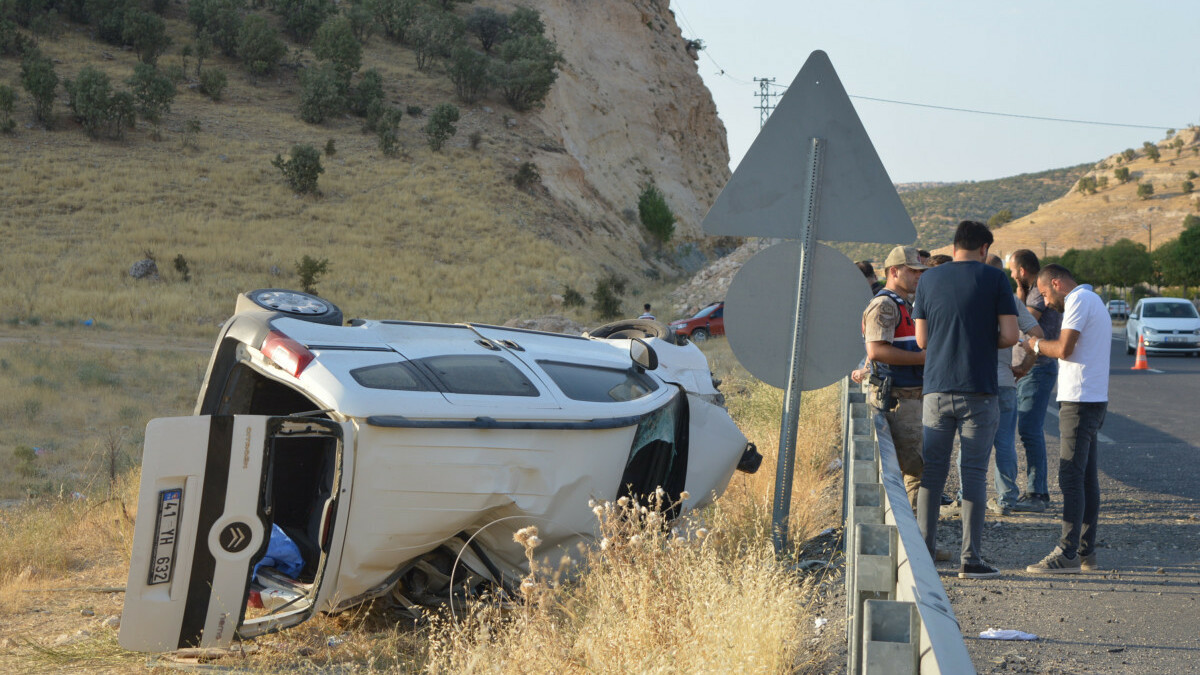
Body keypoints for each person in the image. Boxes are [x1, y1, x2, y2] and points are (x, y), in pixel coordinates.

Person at [912, 220, 1018, 579]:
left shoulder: (927, 279)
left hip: (937, 388)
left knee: (933, 473)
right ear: (984, 249)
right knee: (973, 474)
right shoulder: (994, 279)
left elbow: (923, 341)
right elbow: (1010, 335)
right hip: (980, 390)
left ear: (955, 245)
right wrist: (984, 339)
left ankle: (924, 553)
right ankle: (970, 559)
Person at [1025, 265, 1110, 574]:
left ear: (1057, 284)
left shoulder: (1077, 301)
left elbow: (1063, 349)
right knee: (1085, 478)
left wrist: (1033, 345)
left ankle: (1067, 552)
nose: (1046, 302)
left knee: (1071, 477)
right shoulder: (1094, 299)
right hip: (1092, 398)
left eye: (1046, 294)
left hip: (1080, 400)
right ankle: (1086, 552)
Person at [862, 246, 928, 507]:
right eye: (912, 271)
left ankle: (920, 541)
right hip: (900, 399)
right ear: (894, 271)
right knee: (917, 469)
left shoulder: (905, 304)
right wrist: (924, 359)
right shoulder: (885, 305)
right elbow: (876, 350)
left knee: (917, 472)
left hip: (912, 397)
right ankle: (917, 542)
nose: (918, 276)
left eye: (919, 271)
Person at [985, 254, 1043, 515]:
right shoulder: (1008, 300)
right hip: (1005, 381)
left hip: (974, 383)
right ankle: (1007, 498)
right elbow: (1037, 335)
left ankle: (965, 497)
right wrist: (1025, 366)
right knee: (1005, 442)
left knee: (969, 443)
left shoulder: (968, 297)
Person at [1007, 249, 1062, 513]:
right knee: (1027, 430)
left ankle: (1038, 492)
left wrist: (1024, 366)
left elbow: (1024, 321)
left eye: (1012, 270)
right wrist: (1019, 287)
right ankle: (1035, 490)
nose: (1010, 274)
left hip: (1036, 368)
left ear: (1022, 270)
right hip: (1030, 369)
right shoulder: (1029, 291)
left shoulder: (1038, 294)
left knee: (1030, 430)